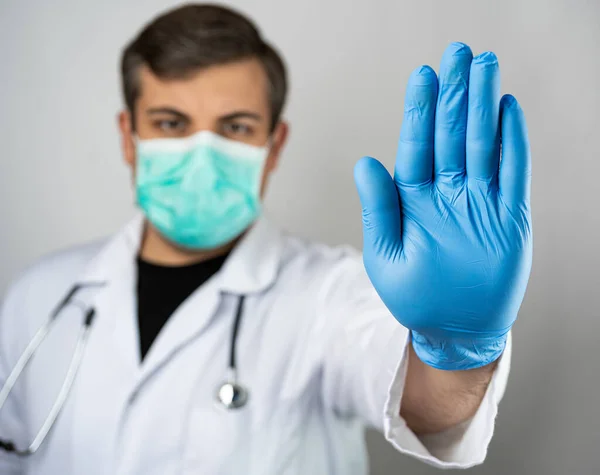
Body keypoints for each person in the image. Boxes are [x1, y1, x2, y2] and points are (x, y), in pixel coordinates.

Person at [0, 3, 532, 475]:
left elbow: (427, 407)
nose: (201, 154)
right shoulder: (38, 298)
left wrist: (456, 349)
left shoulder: (333, 293)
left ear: (274, 145)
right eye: (170, 123)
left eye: (234, 128)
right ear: (128, 136)